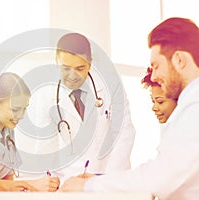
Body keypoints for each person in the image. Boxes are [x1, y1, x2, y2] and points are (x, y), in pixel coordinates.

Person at [60, 17, 199, 200]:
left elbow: (159, 178)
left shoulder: (194, 109)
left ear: (180, 60)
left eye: (156, 66)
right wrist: (100, 181)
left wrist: (89, 185)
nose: (154, 76)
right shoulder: (190, 106)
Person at [25, 32, 135, 183]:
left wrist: (108, 179)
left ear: (90, 63)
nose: (72, 75)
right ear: (56, 62)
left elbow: (124, 132)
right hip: (70, 180)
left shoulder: (110, 83)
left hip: (108, 175)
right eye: (66, 68)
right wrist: (49, 182)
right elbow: (45, 147)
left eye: (80, 68)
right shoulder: (46, 94)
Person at [0, 72, 60, 192]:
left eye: (24, 109)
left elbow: (8, 181)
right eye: (15, 109)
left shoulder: (8, 130)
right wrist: (30, 185)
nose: (21, 116)